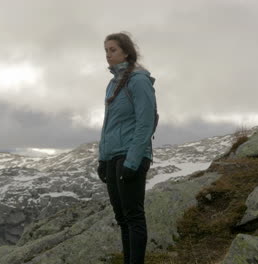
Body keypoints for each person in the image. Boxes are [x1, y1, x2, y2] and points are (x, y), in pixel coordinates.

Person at [97, 32, 157, 264]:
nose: (108, 55)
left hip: (130, 156)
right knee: (122, 218)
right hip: (112, 157)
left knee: (133, 217)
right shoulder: (112, 83)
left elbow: (145, 122)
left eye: (112, 50)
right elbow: (109, 125)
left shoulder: (139, 81)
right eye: (106, 51)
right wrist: (103, 159)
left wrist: (132, 161)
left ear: (126, 52)